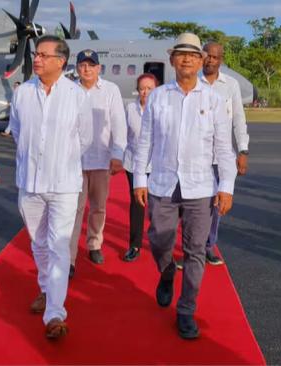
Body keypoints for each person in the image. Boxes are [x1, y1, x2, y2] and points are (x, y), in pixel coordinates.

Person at [133, 33, 237, 339]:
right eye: (181, 54)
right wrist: (140, 178)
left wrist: (227, 186)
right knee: (159, 239)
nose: (187, 59)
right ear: (172, 60)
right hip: (163, 183)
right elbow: (145, 142)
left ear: (202, 60)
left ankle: (186, 309)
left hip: (201, 186)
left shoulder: (214, 100)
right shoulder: (158, 96)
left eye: (193, 55)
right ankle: (166, 273)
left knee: (195, 251)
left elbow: (223, 147)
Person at [9, 35, 92, 339]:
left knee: (58, 246)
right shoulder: (22, 94)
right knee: (38, 242)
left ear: (61, 61)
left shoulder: (76, 95)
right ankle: (46, 288)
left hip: (64, 185)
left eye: (43, 55)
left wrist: (61, 160)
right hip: (29, 182)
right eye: (36, 54)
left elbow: (85, 138)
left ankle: (55, 313)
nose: (37, 59)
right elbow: (17, 132)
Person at [69, 49, 126, 275]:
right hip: (75, 161)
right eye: (82, 65)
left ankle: (94, 244)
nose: (87, 69)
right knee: (74, 209)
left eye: (91, 65)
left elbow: (119, 123)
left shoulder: (110, 90)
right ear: (77, 68)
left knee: (98, 208)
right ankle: (70, 257)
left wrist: (118, 154)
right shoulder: (69, 90)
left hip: (101, 159)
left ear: (99, 68)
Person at [200, 41, 250, 266]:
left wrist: (242, 150)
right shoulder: (191, 81)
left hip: (220, 156)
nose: (210, 60)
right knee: (191, 205)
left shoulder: (230, 85)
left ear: (221, 60)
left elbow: (238, 118)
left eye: (215, 57)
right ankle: (191, 246)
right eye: (207, 56)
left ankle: (208, 246)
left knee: (215, 205)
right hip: (194, 155)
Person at [122, 73, 157, 262]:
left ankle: (160, 244)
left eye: (149, 88)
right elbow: (122, 135)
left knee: (158, 206)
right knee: (137, 205)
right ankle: (134, 245)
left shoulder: (162, 109)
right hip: (133, 164)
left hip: (156, 164)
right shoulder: (130, 108)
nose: (145, 92)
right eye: (142, 88)